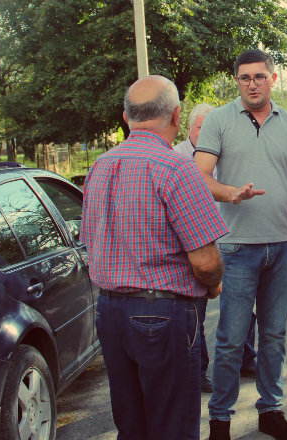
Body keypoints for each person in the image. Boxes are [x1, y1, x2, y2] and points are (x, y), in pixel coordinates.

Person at [194, 49, 287, 440]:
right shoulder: (219, 121)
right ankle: (220, 420)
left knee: (274, 336)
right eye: (245, 78)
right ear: (237, 81)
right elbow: (199, 177)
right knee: (231, 338)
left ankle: (270, 410)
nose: (252, 84)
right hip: (237, 248)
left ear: (273, 79)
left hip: (283, 245)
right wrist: (230, 193)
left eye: (259, 76)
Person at [81, 75, 227, 439]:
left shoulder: (99, 167)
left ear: (126, 116)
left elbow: (91, 242)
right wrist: (213, 286)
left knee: (132, 424)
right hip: (162, 314)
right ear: (177, 117)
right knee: (172, 425)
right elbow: (206, 261)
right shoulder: (177, 168)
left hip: (110, 311)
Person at [175, 102, 259, 394]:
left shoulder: (228, 153)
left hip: (231, 238)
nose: (208, 131)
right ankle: (198, 372)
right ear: (189, 129)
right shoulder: (176, 158)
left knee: (242, 304)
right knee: (195, 311)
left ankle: (246, 358)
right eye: (201, 126)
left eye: (213, 125)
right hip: (195, 244)